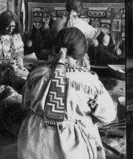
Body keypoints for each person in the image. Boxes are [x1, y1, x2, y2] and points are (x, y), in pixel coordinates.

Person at [17, 27, 116, 159]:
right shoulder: (89, 80)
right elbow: (108, 116)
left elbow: (25, 104)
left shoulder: (37, 73)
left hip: (33, 142)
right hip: (71, 145)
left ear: (55, 48)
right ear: (82, 53)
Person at [51, 0, 109, 68]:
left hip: (57, 59)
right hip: (75, 60)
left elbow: (52, 37)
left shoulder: (57, 21)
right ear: (80, 10)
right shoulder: (81, 24)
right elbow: (97, 33)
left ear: (67, 7)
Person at [0, 11, 28, 94]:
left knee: (29, 78)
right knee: (20, 82)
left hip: (13, 71)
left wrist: (20, 66)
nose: (11, 29)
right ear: (2, 24)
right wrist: (6, 65)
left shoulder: (16, 36)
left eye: (13, 26)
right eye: (8, 26)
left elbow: (19, 56)